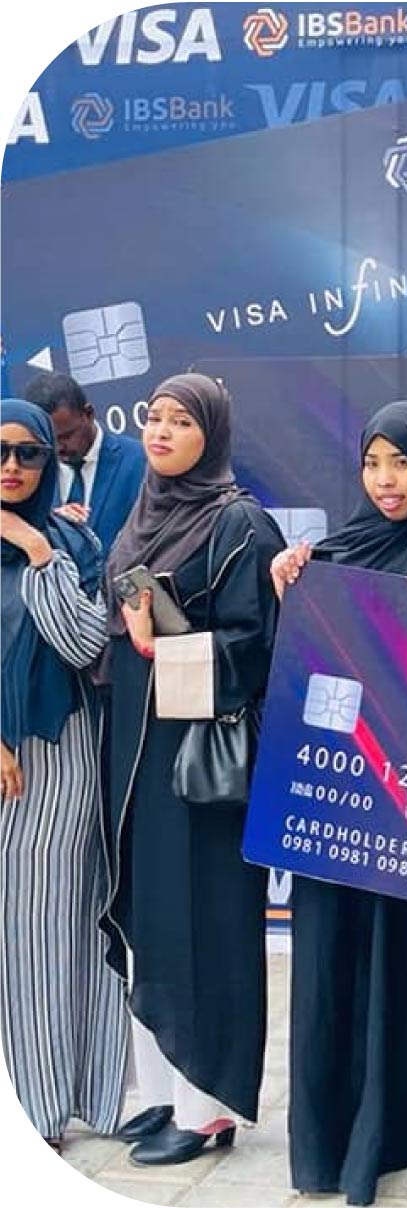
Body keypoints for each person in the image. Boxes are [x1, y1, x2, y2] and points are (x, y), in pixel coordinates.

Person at [270, 401, 407, 1206]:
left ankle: (390, 1137)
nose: (386, 480)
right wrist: (286, 587)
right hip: (334, 806)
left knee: (405, 971)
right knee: (327, 971)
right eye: (373, 462)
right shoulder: (328, 558)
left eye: (404, 462)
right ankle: (322, 1146)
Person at [100, 373, 285, 1166]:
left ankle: (208, 1108)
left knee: (203, 924)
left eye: (182, 420)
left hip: (199, 770)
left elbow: (257, 647)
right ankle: (165, 1094)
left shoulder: (239, 522)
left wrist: (161, 646)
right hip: (138, 760)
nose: (162, 431)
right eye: (155, 417)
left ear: (212, 433)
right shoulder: (140, 515)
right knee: (153, 920)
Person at [1, 399, 127, 1152]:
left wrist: (35, 550)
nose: (11, 467)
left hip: (54, 763)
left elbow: (83, 645)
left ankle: (42, 1104)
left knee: (44, 934)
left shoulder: (73, 541)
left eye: (29, 454)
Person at [24, 372, 145, 557]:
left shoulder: (139, 461)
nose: (57, 448)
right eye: (47, 439)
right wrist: (53, 525)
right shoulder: (28, 471)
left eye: (66, 436)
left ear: (88, 414)